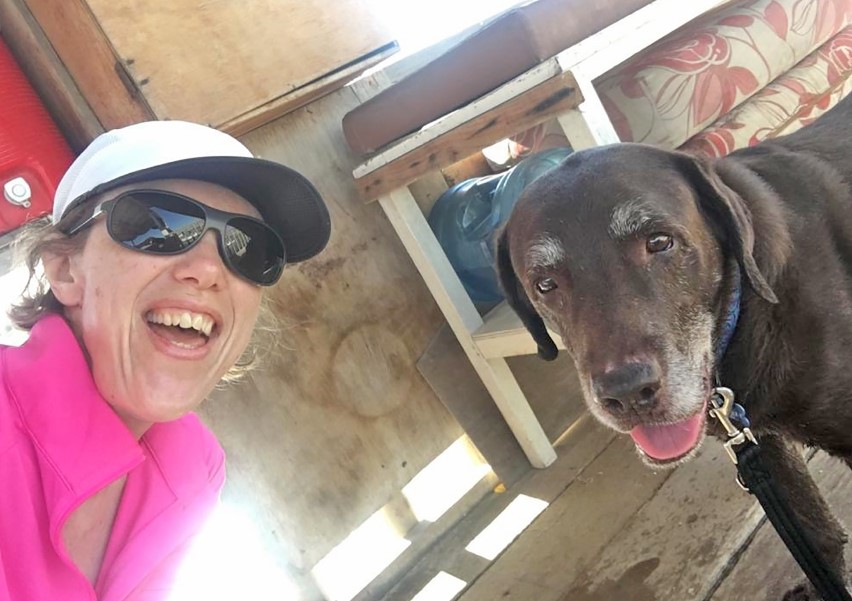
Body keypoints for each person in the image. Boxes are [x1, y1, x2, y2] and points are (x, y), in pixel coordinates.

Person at [0, 121, 331, 600]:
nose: (208, 270)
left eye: (249, 248)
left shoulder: (197, 465)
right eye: (158, 226)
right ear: (66, 269)